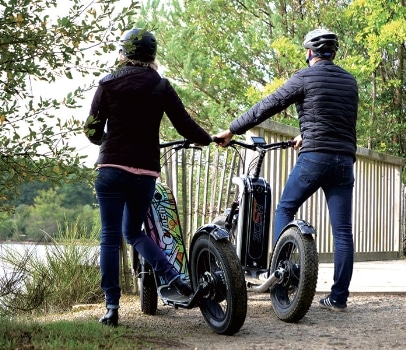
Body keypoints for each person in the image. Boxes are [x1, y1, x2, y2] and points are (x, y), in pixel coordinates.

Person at [214, 28, 358, 312]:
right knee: (342, 232)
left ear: (309, 53)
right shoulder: (350, 81)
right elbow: (337, 119)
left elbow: (267, 106)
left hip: (315, 158)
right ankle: (338, 298)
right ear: (334, 52)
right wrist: (306, 134)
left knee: (285, 209)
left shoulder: (305, 77)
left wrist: (232, 130)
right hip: (344, 161)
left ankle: (282, 279)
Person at [84, 28, 212, 326]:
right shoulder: (161, 85)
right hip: (145, 173)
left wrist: (106, 141)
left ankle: (112, 307)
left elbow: (91, 129)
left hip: (111, 170)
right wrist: (208, 139)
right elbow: (185, 126)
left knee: (110, 236)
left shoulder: (107, 83)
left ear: (123, 54)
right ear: (152, 56)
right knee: (135, 233)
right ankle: (175, 278)